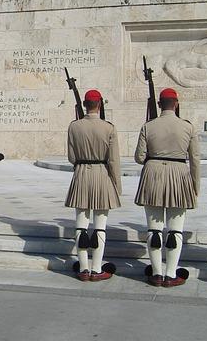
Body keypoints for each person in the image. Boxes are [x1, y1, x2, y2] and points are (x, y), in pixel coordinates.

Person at [134, 88, 200, 287]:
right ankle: (170, 274)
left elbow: (139, 157)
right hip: (179, 175)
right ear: (176, 104)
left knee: (154, 229)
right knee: (175, 231)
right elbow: (195, 160)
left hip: (153, 174)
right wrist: (195, 187)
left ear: (159, 104)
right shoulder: (188, 127)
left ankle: (156, 273)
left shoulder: (148, 126)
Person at [65, 89, 121, 281]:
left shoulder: (74, 127)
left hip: (81, 174)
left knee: (81, 226)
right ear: (100, 105)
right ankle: (96, 269)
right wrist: (116, 186)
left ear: (84, 105)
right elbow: (113, 161)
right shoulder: (109, 127)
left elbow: (72, 157)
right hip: (102, 175)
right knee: (100, 227)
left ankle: (83, 268)